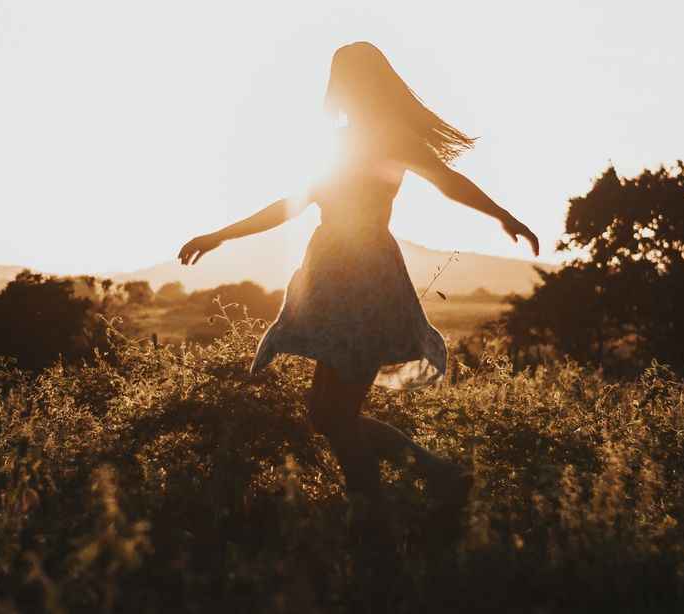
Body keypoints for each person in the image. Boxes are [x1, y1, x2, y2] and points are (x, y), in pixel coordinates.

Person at [178, 42, 539, 516]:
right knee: (325, 415)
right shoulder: (338, 142)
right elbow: (292, 202)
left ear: (375, 82)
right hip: (330, 280)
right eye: (340, 79)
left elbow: (447, 182)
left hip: (366, 279)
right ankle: (439, 477)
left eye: (355, 78)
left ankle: (377, 526)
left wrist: (502, 215)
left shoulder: (393, 135)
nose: (345, 88)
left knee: (339, 417)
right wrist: (222, 234)